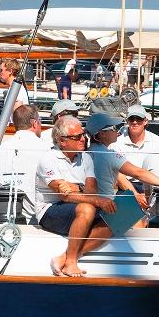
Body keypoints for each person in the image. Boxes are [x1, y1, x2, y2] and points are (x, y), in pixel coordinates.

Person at [35, 115, 116, 277]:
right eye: (77, 136)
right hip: (49, 210)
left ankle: (65, 256)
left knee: (116, 219)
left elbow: (91, 192)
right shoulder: (48, 159)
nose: (83, 139)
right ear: (62, 141)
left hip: (77, 207)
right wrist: (89, 195)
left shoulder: (86, 158)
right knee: (87, 208)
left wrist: (76, 187)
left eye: (83, 135)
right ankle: (71, 262)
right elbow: (64, 196)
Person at [86, 112, 159, 210]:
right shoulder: (109, 155)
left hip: (92, 204)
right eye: (113, 128)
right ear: (102, 134)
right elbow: (139, 173)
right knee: (144, 221)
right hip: (106, 208)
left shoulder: (86, 152)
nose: (117, 131)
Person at [0, 104, 50, 223]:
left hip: (4, 213)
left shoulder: (1, 149)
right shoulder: (46, 149)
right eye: (40, 121)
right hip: (35, 218)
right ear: (34, 123)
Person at [109, 104, 159, 193]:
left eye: (138, 119)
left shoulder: (158, 142)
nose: (135, 122)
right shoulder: (116, 144)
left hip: (153, 186)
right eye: (131, 119)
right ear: (127, 121)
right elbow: (118, 176)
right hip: (126, 186)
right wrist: (135, 194)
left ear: (145, 121)